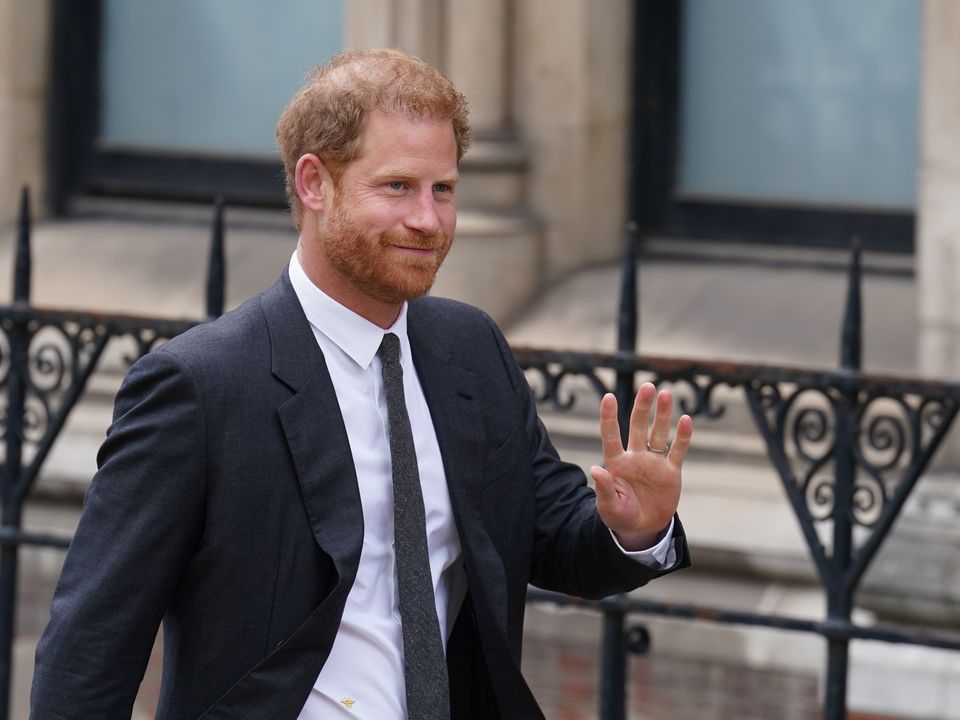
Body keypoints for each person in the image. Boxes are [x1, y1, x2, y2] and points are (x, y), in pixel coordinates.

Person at [31, 48, 693, 719]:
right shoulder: (200, 386)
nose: (428, 221)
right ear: (315, 184)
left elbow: (552, 539)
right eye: (398, 187)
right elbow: (90, 650)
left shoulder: (471, 349)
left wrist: (635, 529)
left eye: (444, 190)